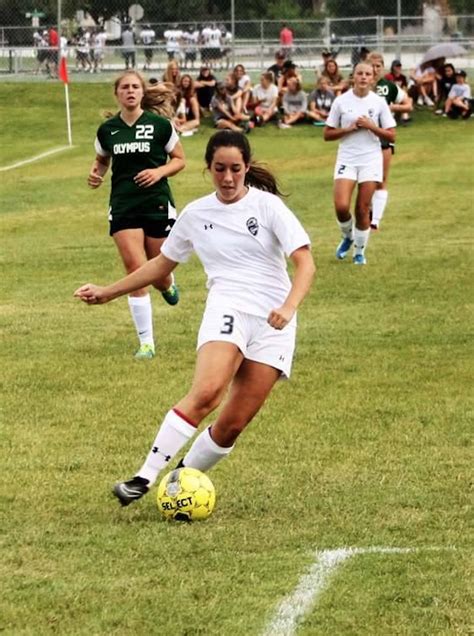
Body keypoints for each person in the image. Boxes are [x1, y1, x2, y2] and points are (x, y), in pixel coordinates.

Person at [74, 130, 315, 507]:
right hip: (227, 309)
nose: (229, 178)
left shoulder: (268, 207)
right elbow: (161, 264)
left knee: (232, 425)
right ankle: (143, 477)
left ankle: (180, 481)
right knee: (207, 393)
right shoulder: (196, 214)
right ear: (208, 169)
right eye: (220, 169)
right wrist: (108, 291)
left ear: (247, 168)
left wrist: (288, 307)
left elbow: (305, 264)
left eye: (236, 169)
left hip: (273, 322)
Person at [86, 71, 185, 359]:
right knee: (135, 270)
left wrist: (158, 171)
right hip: (123, 205)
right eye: (125, 87)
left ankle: (167, 285)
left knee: (158, 272)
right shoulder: (108, 130)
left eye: (135, 87)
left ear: (142, 92)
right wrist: (97, 175)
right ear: (117, 94)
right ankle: (146, 343)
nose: (130, 91)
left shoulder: (160, 125)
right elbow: (102, 160)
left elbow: (179, 160)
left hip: (156, 203)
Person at [324, 62, 396, 265]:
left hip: (371, 159)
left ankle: (359, 251)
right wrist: (348, 129)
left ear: (373, 78)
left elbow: (392, 135)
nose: (363, 77)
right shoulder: (341, 101)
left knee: (362, 208)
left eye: (368, 74)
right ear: (353, 76)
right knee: (341, 205)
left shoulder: (379, 102)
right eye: (360, 73)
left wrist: (372, 126)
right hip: (347, 158)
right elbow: (327, 134)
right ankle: (347, 236)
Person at [368, 52, 413, 230]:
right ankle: (368, 208)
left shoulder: (388, 87)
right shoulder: (360, 86)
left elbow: (408, 104)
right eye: (372, 65)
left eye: (378, 66)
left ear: (382, 67)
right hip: (363, 138)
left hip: (384, 137)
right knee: (365, 179)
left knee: (381, 179)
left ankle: (375, 220)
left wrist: (394, 106)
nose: (374, 69)